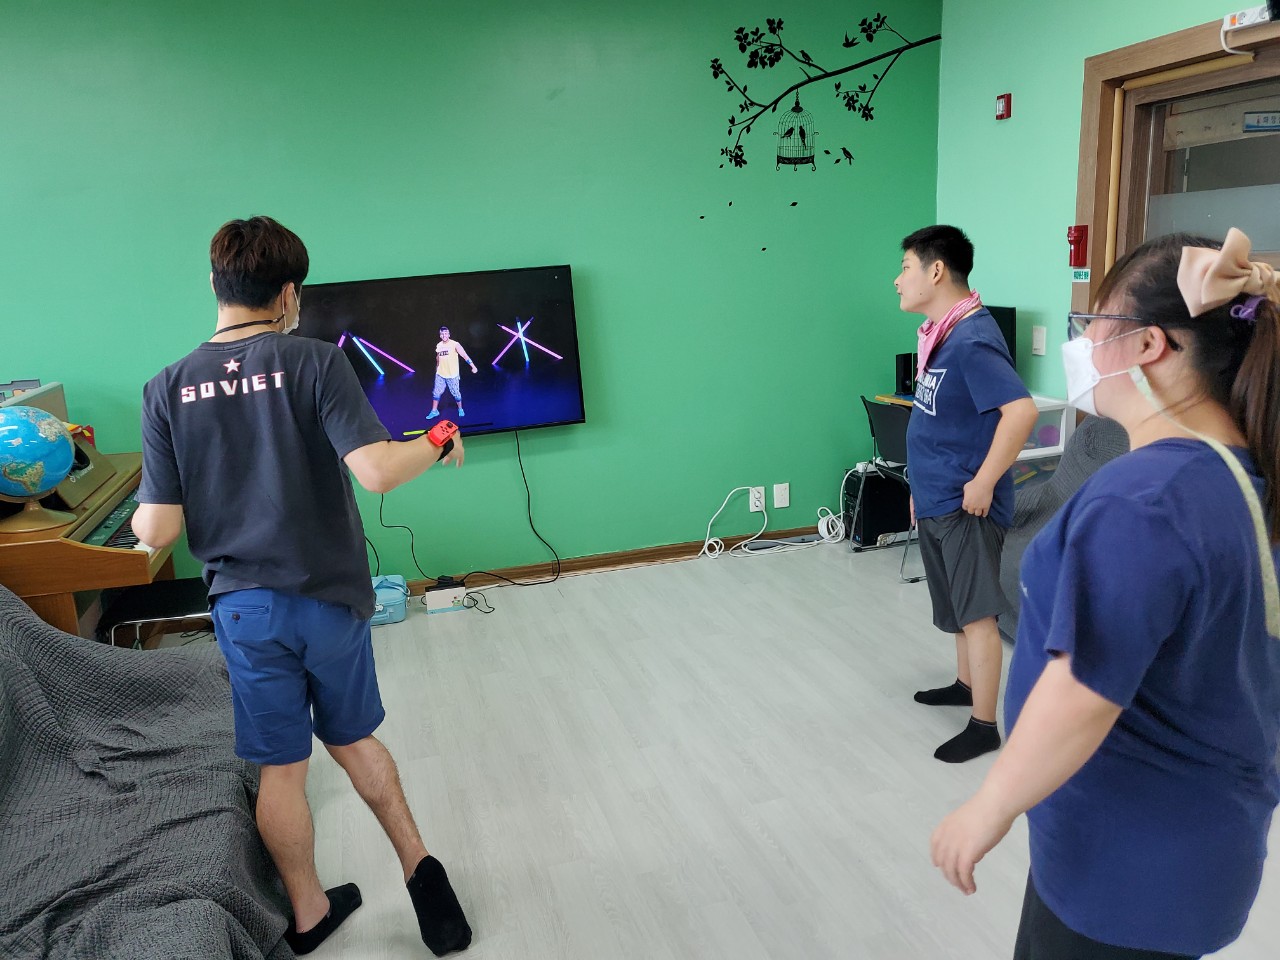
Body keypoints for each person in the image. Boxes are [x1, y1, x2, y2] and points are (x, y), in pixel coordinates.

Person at [931, 229, 1280, 959]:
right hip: (1202, 848)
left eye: (1094, 324)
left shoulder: (1144, 499)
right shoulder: (1245, 480)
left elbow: (1083, 689)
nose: (1083, 344)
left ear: (1149, 345)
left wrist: (990, 805)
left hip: (1121, 872)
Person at [132, 216, 473, 957]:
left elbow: (155, 531)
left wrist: (142, 513)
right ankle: (425, 882)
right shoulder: (316, 362)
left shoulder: (165, 388)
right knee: (353, 739)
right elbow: (377, 472)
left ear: (215, 284)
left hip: (244, 611)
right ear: (288, 293)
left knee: (280, 770)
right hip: (327, 598)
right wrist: (438, 435)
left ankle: (309, 914)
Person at [895, 225, 1037, 763]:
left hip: (964, 504)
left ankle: (984, 725)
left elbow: (1020, 412)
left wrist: (983, 482)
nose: (898, 280)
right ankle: (965, 685)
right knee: (956, 607)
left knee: (977, 614)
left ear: (935, 271)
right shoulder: (942, 333)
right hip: (936, 495)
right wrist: (919, 486)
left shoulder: (972, 339)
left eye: (905, 267)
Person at [427, 326, 478, 420]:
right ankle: (434, 411)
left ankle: (460, 409)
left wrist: (473, 366)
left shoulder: (455, 344)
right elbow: (438, 358)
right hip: (440, 374)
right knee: (436, 393)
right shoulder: (439, 345)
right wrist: (437, 368)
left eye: (446, 333)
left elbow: (464, 355)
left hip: (452, 375)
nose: (444, 335)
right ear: (440, 335)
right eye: (442, 334)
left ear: (449, 335)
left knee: (456, 393)